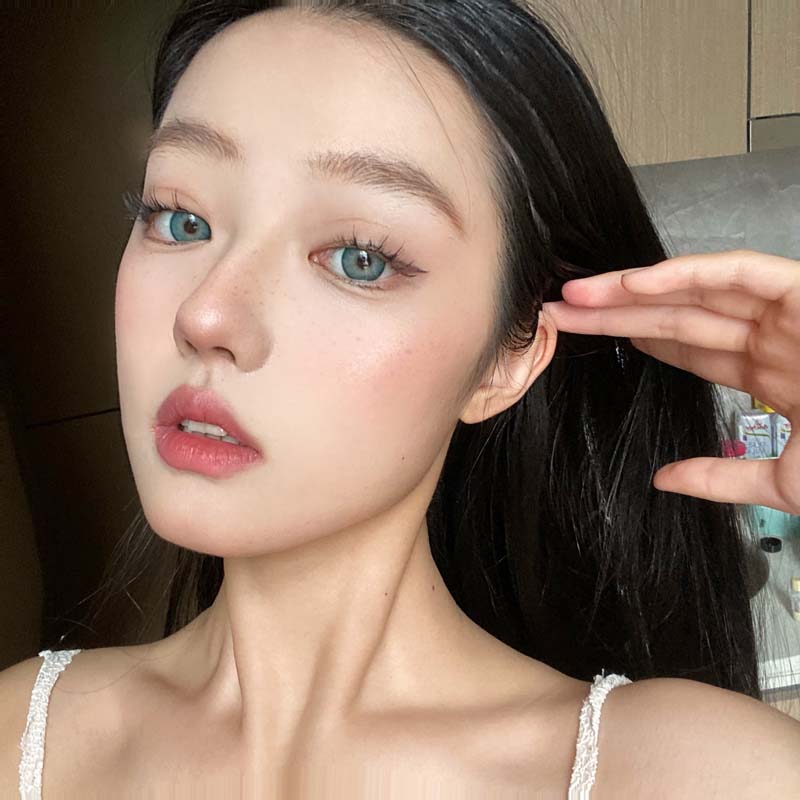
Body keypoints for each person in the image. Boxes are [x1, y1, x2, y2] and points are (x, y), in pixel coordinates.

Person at [3, 0, 800, 796]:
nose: (205, 316)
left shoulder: (694, 773)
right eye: (180, 219)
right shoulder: (19, 737)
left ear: (506, 359)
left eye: (360, 258)